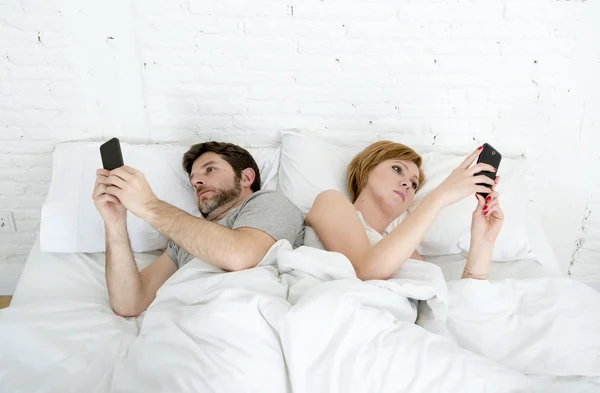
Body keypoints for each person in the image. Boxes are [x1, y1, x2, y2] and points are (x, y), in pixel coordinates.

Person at [92, 141, 304, 317]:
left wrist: (149, 205)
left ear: (247, 177)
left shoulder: (269, 202)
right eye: (193, 181)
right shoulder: (182, 240)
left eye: (210, 169)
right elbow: (130, 304)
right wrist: (115, 223)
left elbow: (240, 256)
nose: (197, 181)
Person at [304, 141, 501, 280]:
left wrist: (483, 243)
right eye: (397, 169)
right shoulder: (331, 201)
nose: (407, 183)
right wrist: (438, 197)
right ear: (366, 170)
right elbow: (365, 270)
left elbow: (446, 314)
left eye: (415, 185)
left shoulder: (410, 254)